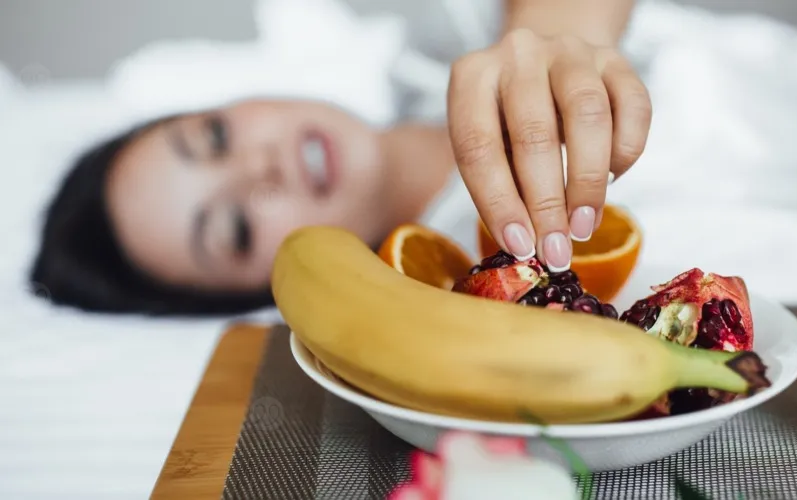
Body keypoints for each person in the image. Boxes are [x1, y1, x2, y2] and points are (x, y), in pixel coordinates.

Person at [29, 0, 652, 316]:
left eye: (216, 138)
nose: (259, 168)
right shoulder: (483, 296)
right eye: (237, 227)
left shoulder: (435, 39)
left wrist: (561, 38)